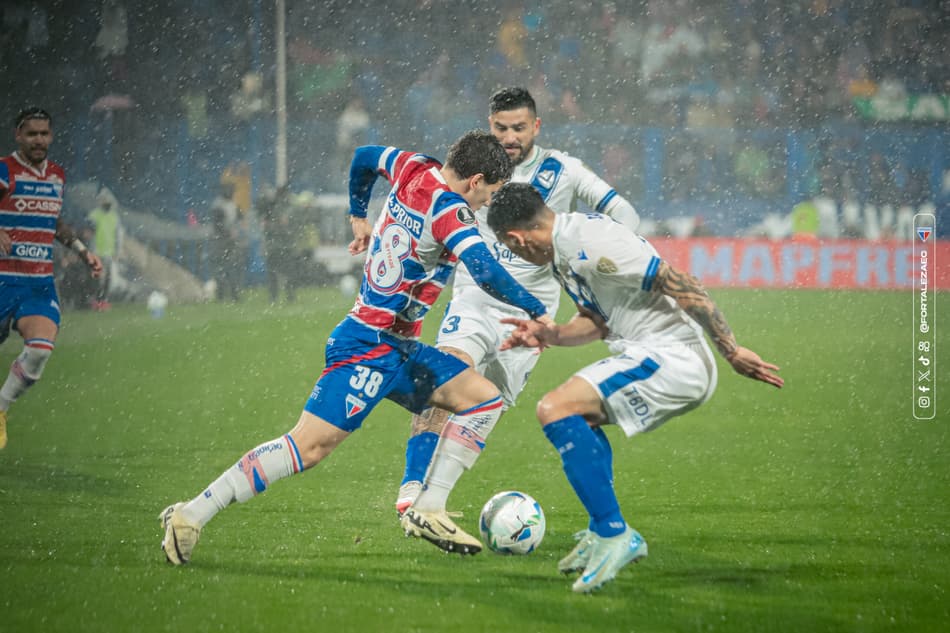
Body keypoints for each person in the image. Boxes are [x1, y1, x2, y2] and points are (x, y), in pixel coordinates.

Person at [158, 131, 552, 564]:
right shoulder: (450, 211)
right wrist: (538, 310)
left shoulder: (413, 167)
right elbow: (484, 269)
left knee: (482, 400)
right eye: (489, 194)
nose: (483, 205)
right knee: (307, 447)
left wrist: (358, 215)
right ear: (475, 180)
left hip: (399, 348)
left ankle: (428, 506)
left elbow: (364, 157)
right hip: (368, 344)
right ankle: (192, 514)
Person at [481, 182, 783, 593]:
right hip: (645, 350)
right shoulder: (563, 252)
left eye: (509, 247)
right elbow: (597, 320)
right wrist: (549, 334)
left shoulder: (593, 240)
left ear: (516, 238)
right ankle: (602, 530)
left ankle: (615, 533)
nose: (514, 254)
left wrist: (730, 350)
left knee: (555, 408)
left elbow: (680, 281)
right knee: (577, 416)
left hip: (674, 356)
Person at [395, 86, 640, 514]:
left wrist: (596, 258)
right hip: (473, 300)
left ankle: (435, 497)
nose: (510, 137)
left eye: (519, 128)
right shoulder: (472, 168)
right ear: (489, 124)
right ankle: (413, 491)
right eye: (501, 127)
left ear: (536, 126)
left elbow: (625, 214)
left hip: (530, 315)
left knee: (487, 407)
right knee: (445, 380)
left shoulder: (563, 170)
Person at [0, 107, 103, 449]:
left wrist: (82, 250)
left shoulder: (56, 176)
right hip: (3, 279)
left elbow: (54, 223)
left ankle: (0, 409)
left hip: (39, 284)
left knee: (41, 350)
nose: (39, 140)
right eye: (32, 134)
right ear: (18, 135)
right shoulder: (5, 170)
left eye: (44, 133)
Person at [86, 187, 122, 310]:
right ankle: (95, 300)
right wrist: (90, 251)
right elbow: (89, 234)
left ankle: (103, 301)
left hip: (109, 253)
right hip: (96, 252)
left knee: (108, 278)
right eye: (103, 200)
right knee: (97, 278)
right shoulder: (94, 215)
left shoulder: (114, 217)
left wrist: (117, 251)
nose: (105, 202)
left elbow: (118, 236)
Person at [208, 181, 242, 302]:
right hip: (220, 241)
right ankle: (223, 295)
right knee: (222, 268)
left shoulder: (230, 204)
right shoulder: (219, 205)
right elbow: (217, 225)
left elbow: (239, 217)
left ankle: (232, 295)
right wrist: (229, 233)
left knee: (228, 268)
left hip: (227, 241)